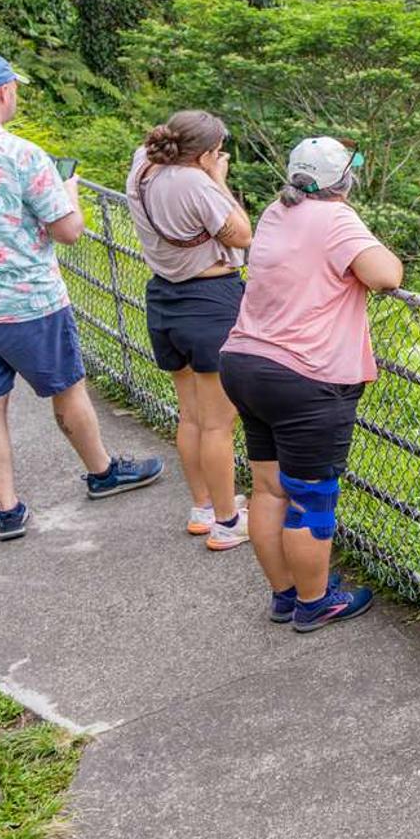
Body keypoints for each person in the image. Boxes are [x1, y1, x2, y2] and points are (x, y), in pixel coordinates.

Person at [0, 51, 163, 540]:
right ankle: (102, 472)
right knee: (67, 388)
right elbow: (68, 231)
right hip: (24, 301)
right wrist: (70, 192)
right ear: (5, 91)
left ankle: (8, 508)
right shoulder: (22, 154)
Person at [219, 137, 402, 632]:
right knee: (311, 497)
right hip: (304, 376)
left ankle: (287, 594)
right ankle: (315, 601)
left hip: (246, 362)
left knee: (267, 489)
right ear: (343, 180)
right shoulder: (336, 218)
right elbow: (386, 275)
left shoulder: (276, 211)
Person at [126, 110, 252, 551]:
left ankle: (203, 507)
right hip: (208, 300)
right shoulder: (196, 183)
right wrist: (218, 179)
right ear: (204, 154)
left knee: (191, 415)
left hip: (164, 298)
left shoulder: (142, 164)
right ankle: (227, 522)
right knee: (218, 424)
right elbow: (242, 234)